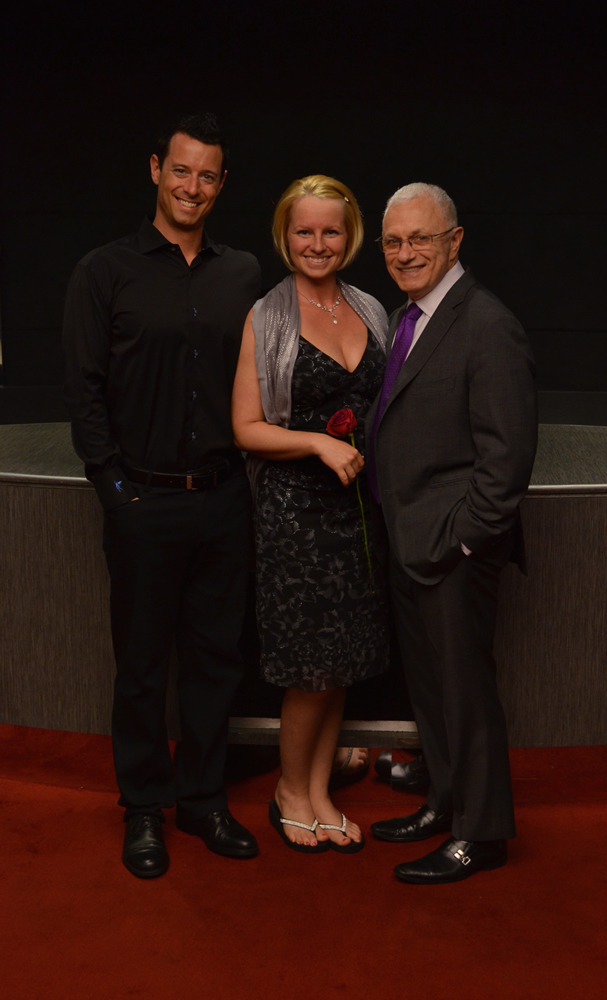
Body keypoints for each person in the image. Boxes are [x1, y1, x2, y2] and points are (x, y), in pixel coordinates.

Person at [62, 113, 261, 878]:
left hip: (223, 500)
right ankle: (143, 808)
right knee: (143, 668)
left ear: (221, 184)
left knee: (215, 662)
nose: (192, 187)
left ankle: (202, 799)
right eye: (181, 170)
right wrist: (114, 490)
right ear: (155, 170)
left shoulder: (242, 273)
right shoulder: (103, 271)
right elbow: (83, 391)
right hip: (142, 504)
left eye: (207, 175)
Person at [368, 183, 537, 884]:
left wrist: (460, 541)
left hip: (452, 550)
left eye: (421, 239)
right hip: (410, 542)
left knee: (465, 695)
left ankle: (481, 834)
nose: (406, 253)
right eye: (394, 241)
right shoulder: (406, 319)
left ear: (455, 241)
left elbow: (506, 460)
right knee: (433, 691)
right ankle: (444, 800)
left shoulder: (488, 324)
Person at [232, 175, 389, 853]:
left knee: (342, 660)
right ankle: (289, 791)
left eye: (330, 231)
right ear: (285, 236)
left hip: (359, 513)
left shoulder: (370, 308)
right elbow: (246, 427)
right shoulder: (266, 315)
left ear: (349, 237)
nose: (317, 243)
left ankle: (319, 789)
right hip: (295, 516)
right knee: (309, 668)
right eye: (304, 231)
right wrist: (317, 442)